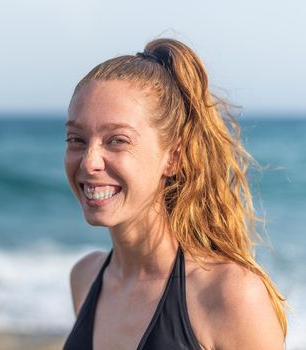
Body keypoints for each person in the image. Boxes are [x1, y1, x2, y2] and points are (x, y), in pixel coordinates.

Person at [62, 38, 286, 350]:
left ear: (174, 156)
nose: (89, 161)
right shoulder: (85, 278)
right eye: (76, 139)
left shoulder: (229, 295)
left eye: (117, 140)